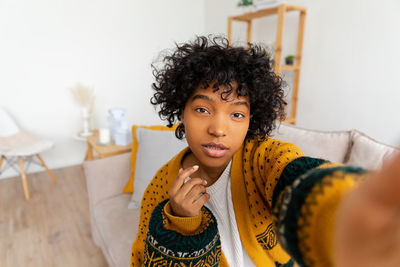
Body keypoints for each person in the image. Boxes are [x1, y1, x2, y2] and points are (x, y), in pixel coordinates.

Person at [130, 35, 400, 267]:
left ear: (251, 120)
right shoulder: (159, 188)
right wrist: (180, 223)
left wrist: (347, 219)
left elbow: (297, 182)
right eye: (202, 109)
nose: (218, 129)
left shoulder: (263, 159)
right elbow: (142, 259)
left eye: (236, 113)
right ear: (181, 111)